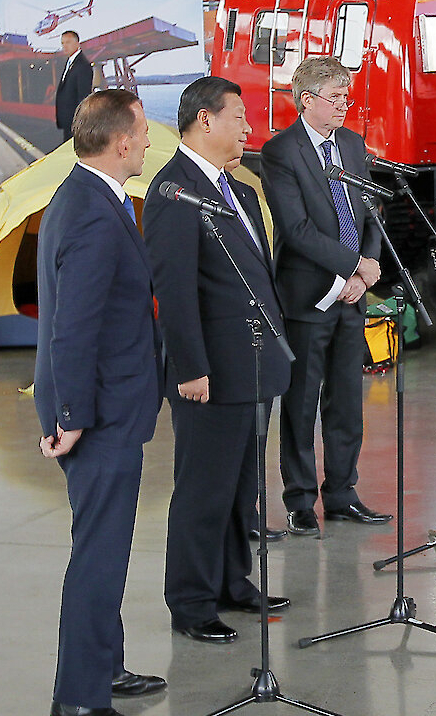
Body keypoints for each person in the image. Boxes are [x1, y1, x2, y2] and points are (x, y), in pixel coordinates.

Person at [143, 76, 292, 645]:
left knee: (240, 485)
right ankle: (191, 600)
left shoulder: (240, 191)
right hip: (210, 371)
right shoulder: (172, 192)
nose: (248, 128)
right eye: (239, 117)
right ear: (205, 120)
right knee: (203, 489)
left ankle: (233, 580)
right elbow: (175, 291)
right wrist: (190, 368)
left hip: (251, 362)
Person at [32, 88, 167, 716]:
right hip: (99, 417)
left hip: (104, 408)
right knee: (100, 555)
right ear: (119, 143)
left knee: (105, 547)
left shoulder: (88, 195)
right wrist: (71, 418)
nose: (146, 142)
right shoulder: (91, 212)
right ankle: (80, 699)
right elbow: (73, 328)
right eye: (141, 133)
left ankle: (105, 667)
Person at [261, 57, 392, 534]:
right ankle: (299, 499)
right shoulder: (280, 152)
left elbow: (369, 213)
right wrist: (350, 265)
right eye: (334, 99)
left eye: (346, 97)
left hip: (353, 295)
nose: (343, 106)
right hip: (308, 296)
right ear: (307, 100)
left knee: (347, 400)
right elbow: (295, 229)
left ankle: (342, 492)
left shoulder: (354, 147)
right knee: (301, 403)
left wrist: (366, 270)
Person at [55, 31, 94, 143]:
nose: (64, 46)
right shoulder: (70, 62)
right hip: (68, 121)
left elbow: (83, 97)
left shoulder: (82, 65)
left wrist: (79, 124)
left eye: (68, 42)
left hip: (74, 124)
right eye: (62, 43)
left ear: (77, 44)